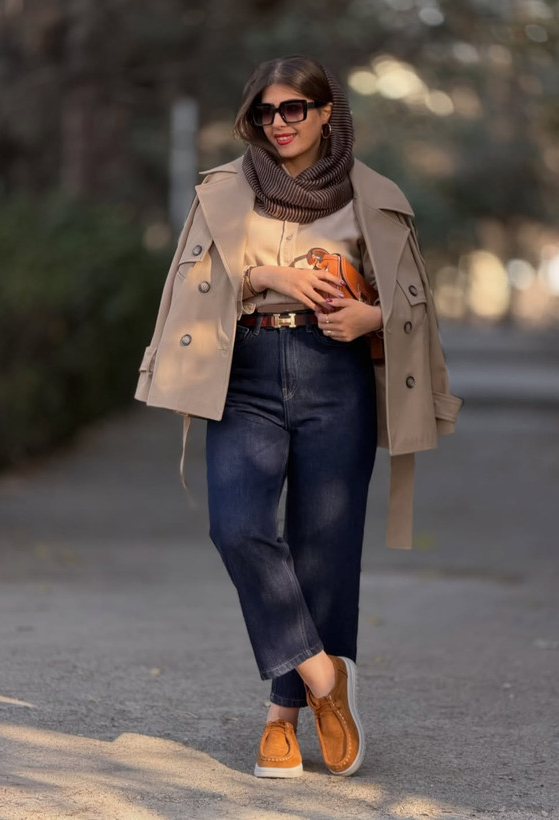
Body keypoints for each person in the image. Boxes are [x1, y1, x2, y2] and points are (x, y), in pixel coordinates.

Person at [135, 55, 462, 778]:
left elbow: (412, 301)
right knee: (237, 526)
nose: (278, 123)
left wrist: (369, 316)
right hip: (244, 369)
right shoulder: (226, 189)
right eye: (265, 111)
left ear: (324, 112)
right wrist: (263, 275)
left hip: (335, 374)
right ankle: (323, 674)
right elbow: (191, 283)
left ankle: (281, 720)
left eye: (293, 109)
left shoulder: (375, 195)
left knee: (325, 550)